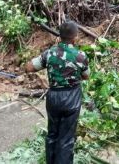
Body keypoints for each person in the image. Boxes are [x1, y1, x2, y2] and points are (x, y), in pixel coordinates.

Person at [26, 21, 89, 164]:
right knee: (66, 138)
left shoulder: (49, 53)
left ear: (59, 36)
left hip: (53, 97)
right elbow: (86, 75)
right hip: (72, 98)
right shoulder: (80, 55)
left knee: (52, 134)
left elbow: (29, 67)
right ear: (75, 37)